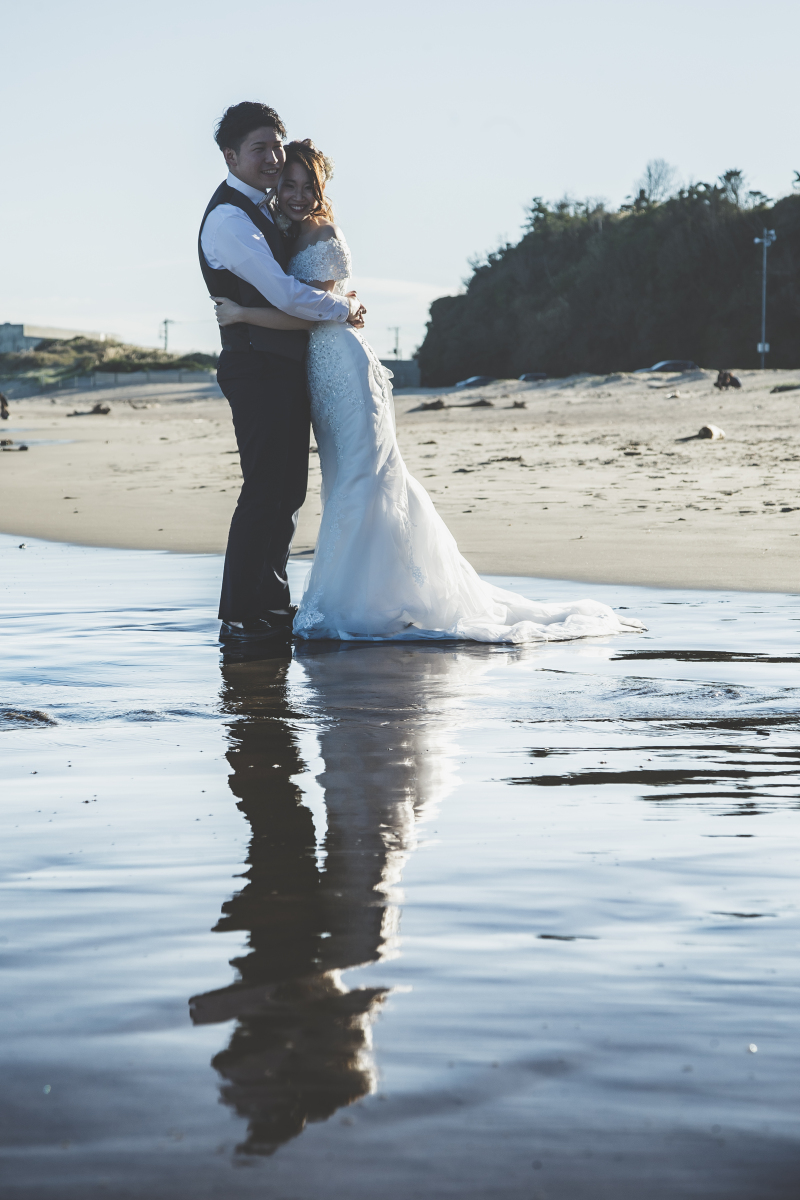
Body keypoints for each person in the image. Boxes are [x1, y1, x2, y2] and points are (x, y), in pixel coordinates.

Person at [214, 140, 644, 644]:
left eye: (309, 186)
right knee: (348, 475)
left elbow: (304, 308)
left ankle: (372, 598)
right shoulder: (285, 230)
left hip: (342, 364)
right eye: (290, 185)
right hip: (324, 366)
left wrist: (242, 315)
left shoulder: (319, 231)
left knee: (364, 476)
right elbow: (312, 306)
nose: (299, 195)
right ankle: (360, 591)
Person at [199, 103, 366, 647]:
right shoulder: (228, 219)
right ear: (231, 157)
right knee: (267, 489)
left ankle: (269, 605)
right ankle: (244, 613)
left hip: (280, 365)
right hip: (255, 365)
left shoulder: (265, 209)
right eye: (259, 149)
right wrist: (343, 309)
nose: (272, 158)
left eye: (276, 145)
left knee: (285, 488)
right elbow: (285, 293)